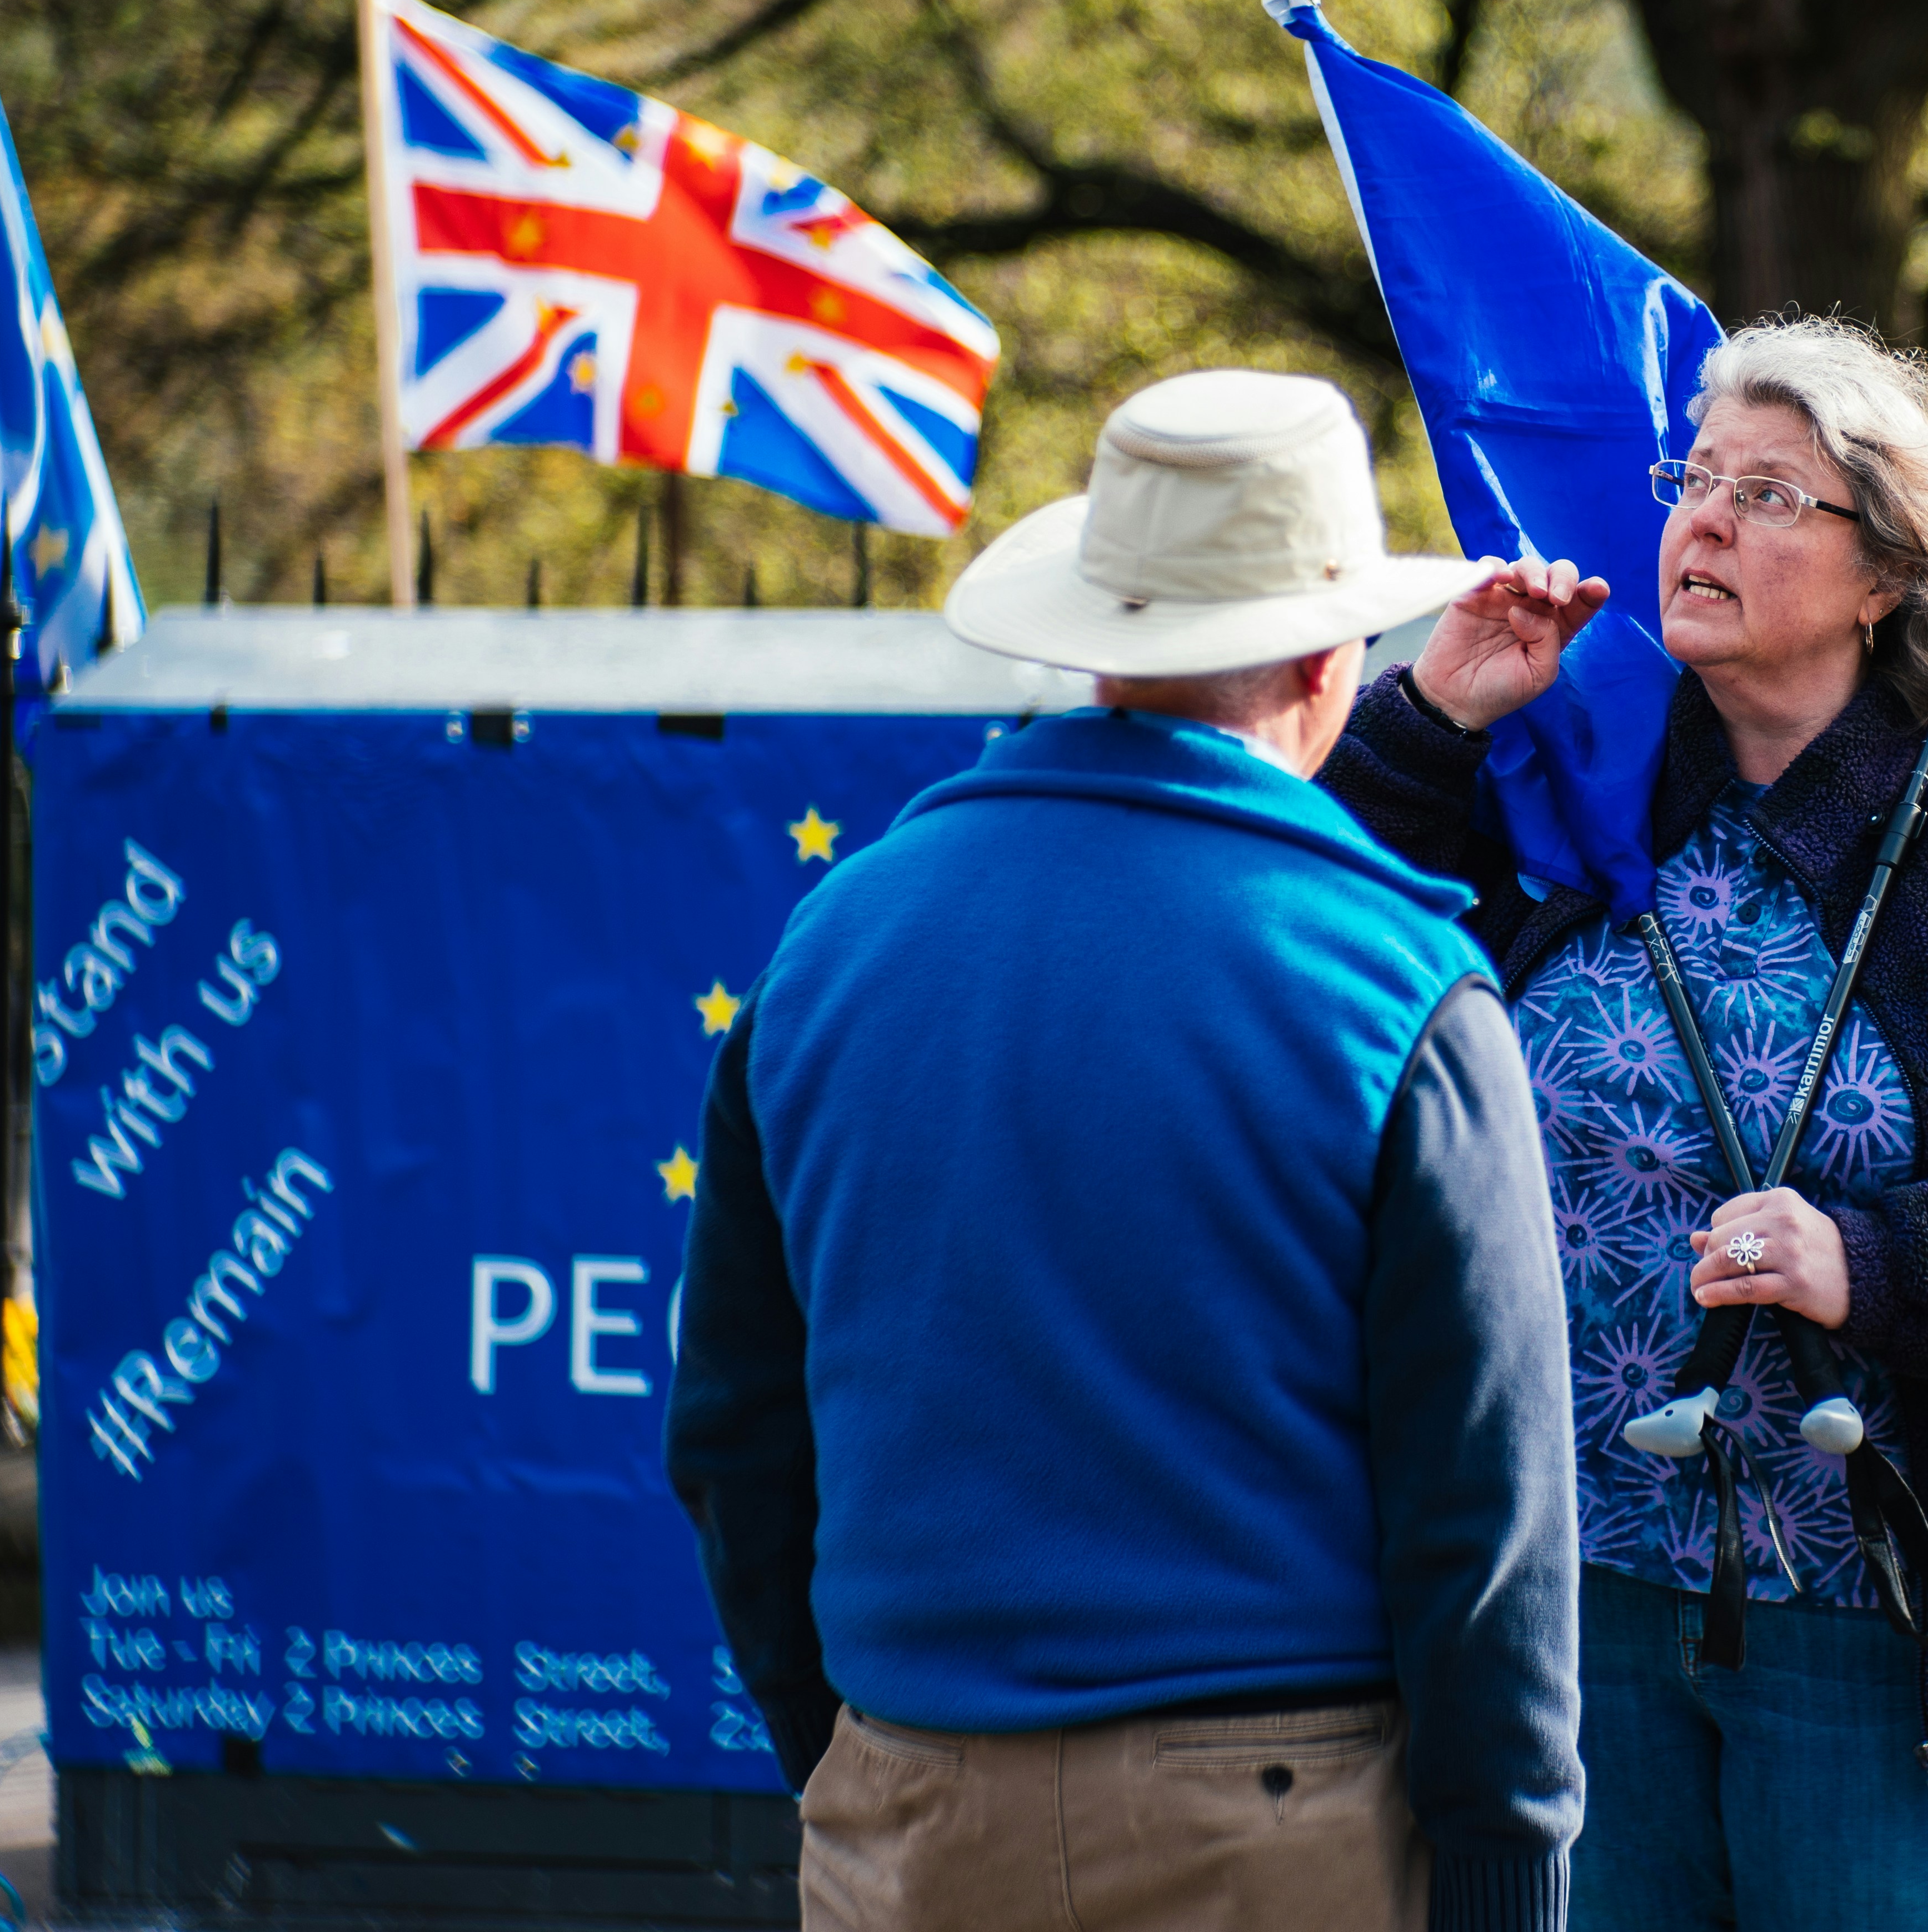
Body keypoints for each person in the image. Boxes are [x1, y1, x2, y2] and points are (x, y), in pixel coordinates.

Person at [1320, 318, 1928, 1931]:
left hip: (1877, 1599)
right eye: (1695, 481)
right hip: (1575, 1581)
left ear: (1884, 572)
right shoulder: (1565, 781)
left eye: (1771, 494)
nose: (1705, 520)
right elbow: (1316, 942)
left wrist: (1869, 1259)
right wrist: (1434, 717)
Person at [664, 369, 1583, 1932]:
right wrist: (1508, 1881)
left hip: (907, 1803)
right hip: (1286, 1829)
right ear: (1326, 657)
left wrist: (847, 1751)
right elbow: (1486, 1515)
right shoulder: (1401, 985)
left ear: (1099, 638)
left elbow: (735, 1432)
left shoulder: (830, 944)